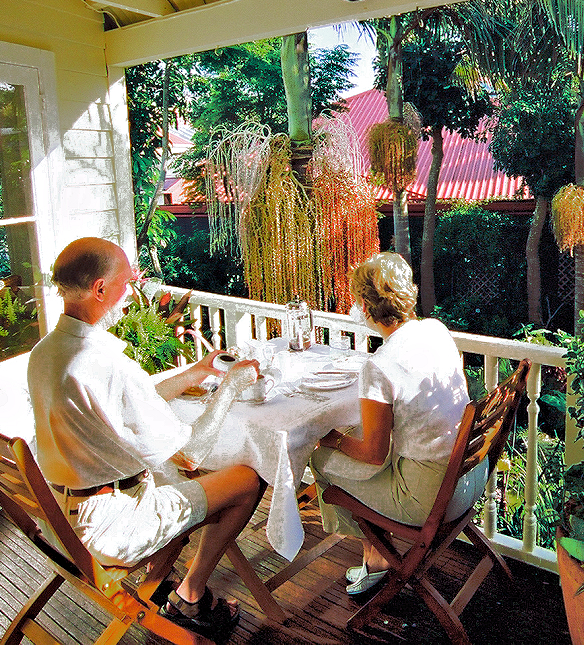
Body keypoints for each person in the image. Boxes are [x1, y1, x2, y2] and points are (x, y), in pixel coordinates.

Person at [28, 236, 263, 641]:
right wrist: (231, 387)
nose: (130, 291)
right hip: (111, 528)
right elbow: (190, 453)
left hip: (59, 521)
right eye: (125, 282)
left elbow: (122, 404)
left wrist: (197, 372)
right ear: (100, 289)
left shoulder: (46, 351)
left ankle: (159, 580)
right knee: (247, 479)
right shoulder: (109, 366)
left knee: (177, 478)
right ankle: (190, 595)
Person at [309, 252, 487, 598]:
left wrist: (331, 440)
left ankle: (376, 556)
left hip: (431, 500)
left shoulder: (381, 365)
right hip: (470, 479)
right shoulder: (435, 330)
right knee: (365, 442)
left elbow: (375, 455)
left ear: (363, 304)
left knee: (322, 460)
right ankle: (377, 555)